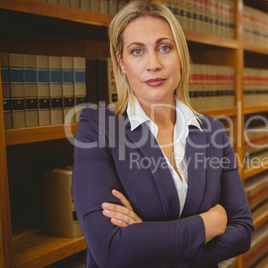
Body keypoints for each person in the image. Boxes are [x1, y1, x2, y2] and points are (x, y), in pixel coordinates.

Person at [72, 1, 253, 267]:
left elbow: (242, 232)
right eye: (137, 51)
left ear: (181, 55)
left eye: (164, 47)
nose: (153, 64)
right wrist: (209, 223)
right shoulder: (97, 128)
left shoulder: (212, 131)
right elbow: (110, 250)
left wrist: (147, 240)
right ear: (121, 62)